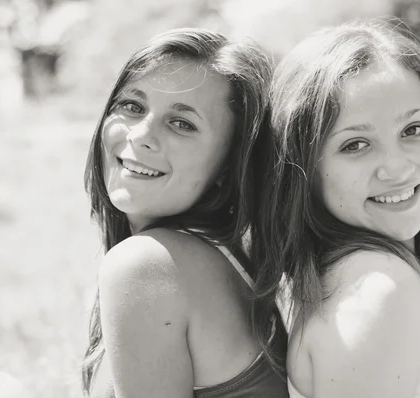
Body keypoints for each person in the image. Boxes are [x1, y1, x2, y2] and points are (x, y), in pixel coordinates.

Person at [250, 20, 420, 398]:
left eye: (413, 130)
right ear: (304, 171)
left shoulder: (392, 275)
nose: (396, 167)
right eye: (355, 145)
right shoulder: (377, 293)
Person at [82, 28, 288, 397]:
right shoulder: (218, 254)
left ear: (229, 165)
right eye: (133, 106)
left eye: (182, 124)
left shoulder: (145, 266)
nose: (142, 134)